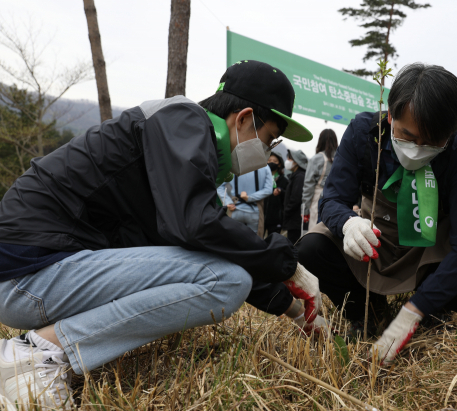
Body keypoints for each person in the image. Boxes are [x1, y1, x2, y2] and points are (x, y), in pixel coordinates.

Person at [0, 60, 329, 410]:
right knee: (226, 282)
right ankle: (36, 354)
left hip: (41, 274)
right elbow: (195, 225)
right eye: (268, 140)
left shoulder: (181, 144)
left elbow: (191, 246)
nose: (267, 155)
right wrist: (287, 265)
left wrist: (291, 308)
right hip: (32, 274)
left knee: (224, 275)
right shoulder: (183, 121)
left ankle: (45, 349)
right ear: (244, 118)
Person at [296, 63, 457, 365]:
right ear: (390, 114)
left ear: (452, 131)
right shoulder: (363, 132)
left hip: (429, 249)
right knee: (312, 248)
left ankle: (434, 312)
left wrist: (415, 310)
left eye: (433, 141)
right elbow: (331, 199)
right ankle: (366, 313)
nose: (417, 148)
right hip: (375, 241)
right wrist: (348, 223)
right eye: (407, 135)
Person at [217, 165, 273, 235]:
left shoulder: (231, 166)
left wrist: (228, 202)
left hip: (234, 209)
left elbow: (219, 185)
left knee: (234, 240)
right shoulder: (264, 166)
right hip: (254, 211)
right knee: (255, 241)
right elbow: (268, 189)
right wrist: (249, 198)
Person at [302, 129, 338, 230]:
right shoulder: (341, 158)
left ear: (320, 141)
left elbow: (308, 186)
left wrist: (305, 210)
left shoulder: (316, 159)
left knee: (317, 230)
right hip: (337, 199)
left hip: (318, 199)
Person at [282, 149, 308, 244]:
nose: (287, 160)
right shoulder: (295, 176)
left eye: (290, 158)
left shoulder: (299, 177)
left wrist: (287, 211)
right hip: (294, 220)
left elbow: (296, 198)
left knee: (293, 244)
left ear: (296, 162)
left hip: (295, 220)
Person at [264, 152, 288, 235]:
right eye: (269, 160)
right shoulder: (261, 178)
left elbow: (288, 196)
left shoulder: (284, 181)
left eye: (275, 161)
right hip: (261, 216)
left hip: (276, 219)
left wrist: (281, 192)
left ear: (280, 164)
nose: (271, 162)